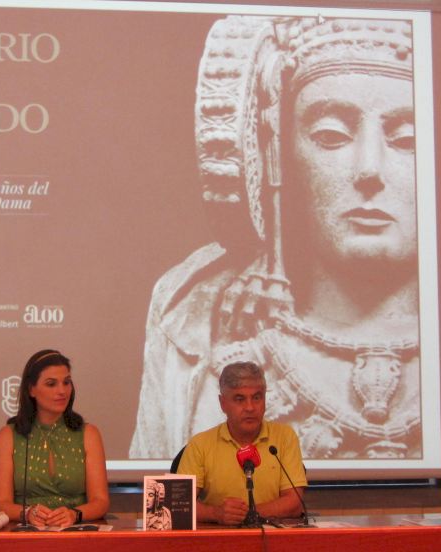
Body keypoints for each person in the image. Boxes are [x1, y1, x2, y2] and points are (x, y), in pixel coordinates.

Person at [131, 15, 422, 462]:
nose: (370, 169)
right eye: (332, 135)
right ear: (278, 153)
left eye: (406, 139)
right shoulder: (195, 315)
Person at [175, 361, 307, 525]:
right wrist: (216, 513)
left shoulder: (284, 437)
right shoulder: (200, 444)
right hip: (219, 536)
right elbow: (180, 506)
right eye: (240, 399)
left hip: (272, 535)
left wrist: (248, 514)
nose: (250, 407)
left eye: (257, 398)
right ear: (223, 403)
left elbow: (294, 504)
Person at [0, 349, 109, 528]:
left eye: (66, 382)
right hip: (28, 532)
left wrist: (74, 514)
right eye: (51, 384)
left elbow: (100, 501)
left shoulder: (89, 434)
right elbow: (1, 504)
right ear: (31, 389)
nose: (62, 391)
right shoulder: (8, 435)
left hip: (75, 531)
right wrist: (27, 513)